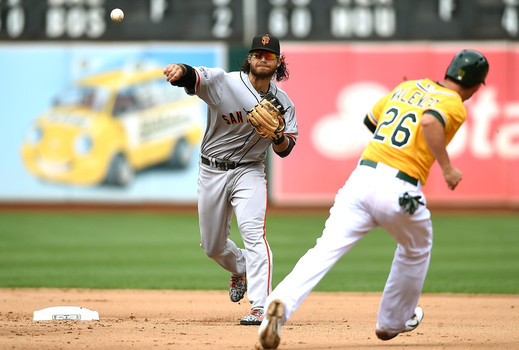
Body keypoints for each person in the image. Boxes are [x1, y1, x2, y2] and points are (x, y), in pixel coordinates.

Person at [258, 49, 489, 349]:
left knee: (324, 249)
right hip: (401, 186)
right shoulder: (454, 103)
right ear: (474, 85)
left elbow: (371, 121)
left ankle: (278, 304)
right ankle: (393, 320)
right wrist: (446, 168)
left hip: (361, 178)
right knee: (416, 247)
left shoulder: (409, 86)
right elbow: (431, 122)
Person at [163, 34, 298, 325]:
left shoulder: (284, 104)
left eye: (269, 55)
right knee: (212, 246)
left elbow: (286, 149)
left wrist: (277, 137)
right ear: (249, 58)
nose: (262, 58)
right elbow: (194, 76)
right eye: (257, 54)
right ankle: (240, 269)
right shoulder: (226, 82)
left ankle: (261, 305)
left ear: (278, 63)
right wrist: (180, 71)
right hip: (211, 170)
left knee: (254, 236)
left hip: (249, 171)